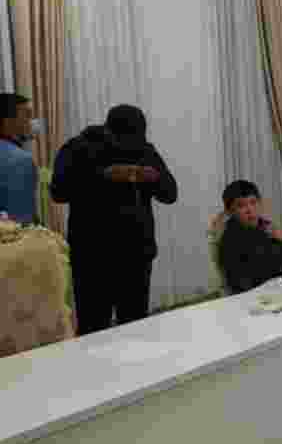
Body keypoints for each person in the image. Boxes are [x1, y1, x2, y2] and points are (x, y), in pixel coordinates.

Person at [50, 105, 177, 335]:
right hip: (92, 258)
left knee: (136, 328)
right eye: (123, 141)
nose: (128, 147)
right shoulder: (78, 148)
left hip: (136, 255)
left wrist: (154, 178)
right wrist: (104, 176)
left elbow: (170, 194)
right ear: (108, 130)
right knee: (93, 330)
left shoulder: (144, 150)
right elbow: (58, 192)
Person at [217, 180, 282, 293]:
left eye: (253, 202)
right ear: (230, 212)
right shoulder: (229, 241)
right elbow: (238, 284)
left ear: (260, 203)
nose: (249, 210)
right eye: (241, 206)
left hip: (281, 288)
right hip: (256, 296)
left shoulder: (268, 228)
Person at [0, 93, 37, 224]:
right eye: (27, 116)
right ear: (8, 121)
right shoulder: (19, 160)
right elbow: (21, 221)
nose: (32, 122)